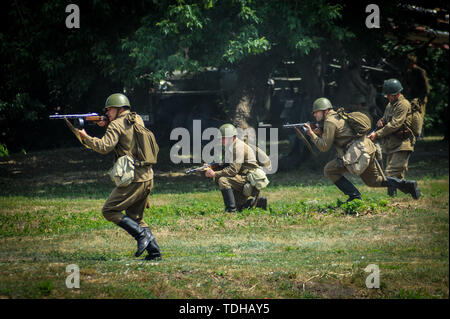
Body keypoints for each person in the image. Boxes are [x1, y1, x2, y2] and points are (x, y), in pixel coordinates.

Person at [78, 93, 162, 260]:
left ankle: (141, 237)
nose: (107, 112)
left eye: (110, 109)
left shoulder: (115, 125)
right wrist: (109, 122)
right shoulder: (136, 118)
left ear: (119, 108)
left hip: (134, 178)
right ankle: (154, 253)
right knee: (135, 218)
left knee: (109, 210)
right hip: (147, 176)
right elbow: (127, 131)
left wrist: (86, 138)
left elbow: (104, 147)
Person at [304, 97, 420, 203]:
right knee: (373, 181)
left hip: (358, 152)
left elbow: (324, 146)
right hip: (366, 148)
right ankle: (408, 185)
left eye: (317, 111)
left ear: (325, 111)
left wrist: (311, 135)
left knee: (329, 170)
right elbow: (343, 133)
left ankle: (354, 197)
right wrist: (321, 132)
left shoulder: (329, 121)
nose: (314, 114)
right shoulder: (337, 116)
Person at [367, 79, 420, 198]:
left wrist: (377, 134)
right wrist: (382, 121)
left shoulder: (403, 104)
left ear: (396, 94)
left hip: (403, 143)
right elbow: (387, 119)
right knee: (396, 176)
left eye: (389, 95)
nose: (387, 97)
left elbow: (395, 124)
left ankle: (411, 186)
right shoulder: (390, 105)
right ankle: (394, 198)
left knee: (390, 173)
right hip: (392, 144)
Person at [204, 123, 268, 212]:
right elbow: (226, 164)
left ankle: (230, 210)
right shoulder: (231, 146)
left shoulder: (238, 147)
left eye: (223, 138)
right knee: (241, 207)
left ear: (231, 137)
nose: (221, 141)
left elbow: (233, 170)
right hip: (242, 178)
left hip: (249, 179)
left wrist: (214, 173)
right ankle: (257, 202)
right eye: (221, 138)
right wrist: (212, 166)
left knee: (223, 180)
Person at [402, 54, 430, 137]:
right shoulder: (408, 72)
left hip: (420, 97)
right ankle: (415, 134)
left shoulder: (420, 71)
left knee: (419, 116)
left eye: (408, 62)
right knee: (412, 116)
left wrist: (421, 98)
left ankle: (420, 135)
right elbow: (405, 84)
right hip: (412, 96)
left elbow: (426, 87)